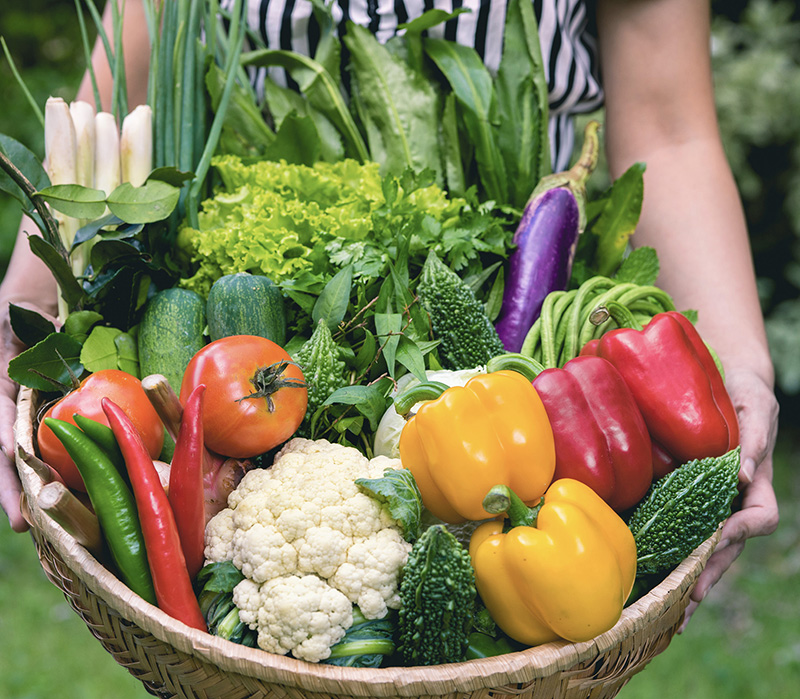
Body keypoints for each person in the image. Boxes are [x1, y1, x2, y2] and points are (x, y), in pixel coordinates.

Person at [0, 0, 779, 631]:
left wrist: (740, 359)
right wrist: (31, 306)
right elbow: (122, 92)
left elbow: (670, 130)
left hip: (521, 289)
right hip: (267, 320)